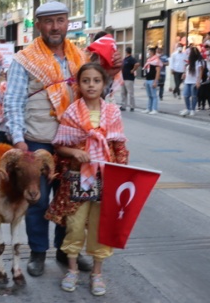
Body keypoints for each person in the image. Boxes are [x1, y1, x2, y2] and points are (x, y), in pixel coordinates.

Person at [4, 1, 94, 277]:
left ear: (68, 22)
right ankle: (38, 253)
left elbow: (94, 94)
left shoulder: (79, 58)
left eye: (60, 20)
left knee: (70, 200)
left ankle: (67, 252)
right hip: (37, 141)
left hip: (74, 143)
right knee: (38, 200)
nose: (55, 26)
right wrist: (18, 139)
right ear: (38, 25)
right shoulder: (25, 59)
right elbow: (14, 100)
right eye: (49, 21)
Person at [46, 63, 128, 296]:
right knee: (74, 225)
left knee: (100, 226)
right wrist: (75, 153)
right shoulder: (71, 112)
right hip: (79, 177)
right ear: (78, 85)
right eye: (85, 81)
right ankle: (71, 270)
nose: (91, 85)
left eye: (96, 81)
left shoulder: (113, 112)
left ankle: (97, 273)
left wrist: (120, 176)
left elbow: (119, 146)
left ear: (103, 84)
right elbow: (60, 145)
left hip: (106, 176)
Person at [180, 47, 204, 117]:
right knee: (186, 95)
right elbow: (186, 69)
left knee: (194, 96)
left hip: (194, 81)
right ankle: (188, 108)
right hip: (187, 81)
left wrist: (198, 81)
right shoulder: (189, 61)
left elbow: (200, 71)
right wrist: (184, 74)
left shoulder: (199, 62)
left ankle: (192, 109)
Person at [142, 47, 161, 114]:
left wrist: (155, 81)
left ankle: (154, 109)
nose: (148, 53)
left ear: (152, 52)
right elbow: (147, 71)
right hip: (148, 79)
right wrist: (145, 80)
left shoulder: (156, 60)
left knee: (154, 95)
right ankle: (149, 108)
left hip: (152, 80)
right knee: (149, 95)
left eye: (149, 52)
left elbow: (158, 71)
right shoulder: (149, 61)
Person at [120, 47, 139, 111]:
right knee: (123, 93)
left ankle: (132, 106)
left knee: (130, 93)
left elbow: (137, 64)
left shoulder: (131, 59)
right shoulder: (125, 59)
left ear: (126, 51)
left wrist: (133, 70)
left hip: (129, 78)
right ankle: (123, 105)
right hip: (123, 78)